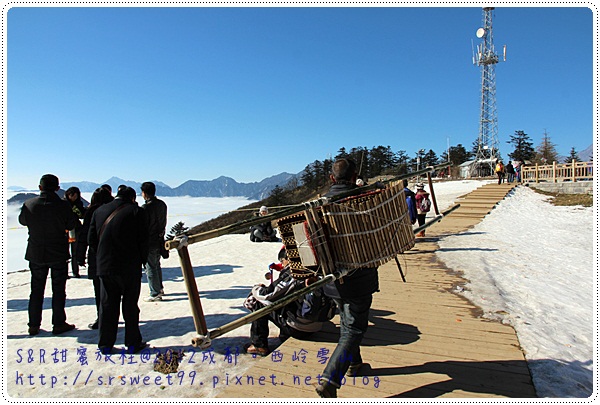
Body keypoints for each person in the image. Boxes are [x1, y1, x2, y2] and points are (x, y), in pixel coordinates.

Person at [315, 158, 379, 398]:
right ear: (355, 176)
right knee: (354, 327)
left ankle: (354, 364)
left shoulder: (320, 204)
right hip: (359, 275)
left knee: (347, 319)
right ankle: (330, 379)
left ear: (332, 178)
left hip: (331, 277)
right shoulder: (366, 199)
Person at [88, 186, 149, 354]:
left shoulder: (99, 211)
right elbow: (144, 240)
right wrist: (141, 260)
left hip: (105, 265)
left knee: (107, 305)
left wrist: (102, 256)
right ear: (132, 198)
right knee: (130, 305)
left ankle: (105, 344)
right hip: (129, 265)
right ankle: (132, 343)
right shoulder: (137, 212)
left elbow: (91, 240)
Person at [19, 174, 78, 336]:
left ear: (40, 187)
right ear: (58, 189)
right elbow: (71, 223)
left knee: (36, 289)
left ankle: (33, 324)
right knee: (59, 289)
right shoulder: (63, 206)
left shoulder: (29, 204)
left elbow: (22, 221)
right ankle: (58, 323)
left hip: (36, 252)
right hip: (58, 252)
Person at [244, 248, 330, 356]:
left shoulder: (293, 274)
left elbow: (267, 295)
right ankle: (284, 334)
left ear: (288, 259)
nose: (282, 264)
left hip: (299, 329)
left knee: (258, 303)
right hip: (316, 324)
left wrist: (256, 288)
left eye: (282, 261)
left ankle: (259, 345)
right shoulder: (314, 268)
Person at [78, 187, 114, 329]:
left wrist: (80, 255)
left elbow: (86, 235)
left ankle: (102, 318)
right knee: (113, 289)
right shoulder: (115, 209)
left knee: (99, 289)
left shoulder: (91, 212)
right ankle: (113, 316)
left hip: (96, 255)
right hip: (114, 254)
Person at [139, 182, 168, 302]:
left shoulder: (145, 208)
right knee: (156, 264)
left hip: (149, 240)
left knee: (150, 266)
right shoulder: (162, 204)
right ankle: (159, 288)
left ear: (144, 193)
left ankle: (155, 292)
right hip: (159, 239)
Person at [64, 186, 86, 278]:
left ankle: (75, 271)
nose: (74, 197)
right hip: (65, 230)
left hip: (76, 229)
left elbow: (82, 215)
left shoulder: (78, 204)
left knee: (75, 252)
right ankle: (64, 272)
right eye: (73, 195)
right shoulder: (63, 204)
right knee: (65, 252)